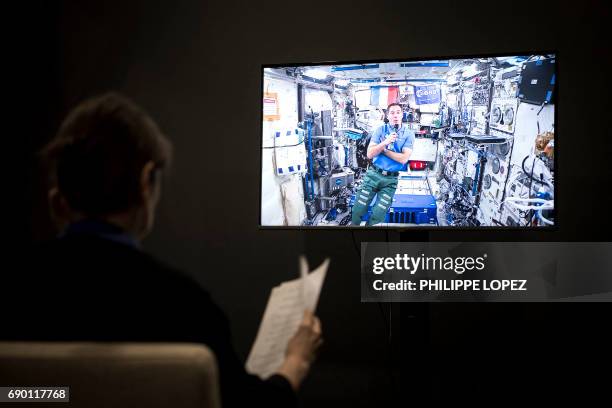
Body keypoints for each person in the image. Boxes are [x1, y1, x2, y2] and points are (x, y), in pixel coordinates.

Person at [3, 93, 322, 408]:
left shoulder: (15, 292)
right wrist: (296, 361)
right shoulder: (184, 306)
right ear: (146, 184)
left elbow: (25, 394)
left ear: (57, 202)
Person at [351, 103, 415, 225]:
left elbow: (403, 159)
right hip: (373, 175)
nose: (395, 115)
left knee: (379, 213)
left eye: (398, 112)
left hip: (391, 180)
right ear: (387, 115)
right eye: (392, 112)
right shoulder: (380, 130)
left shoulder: (408, 134)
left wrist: (383, 150)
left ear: (402, 115)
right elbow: (370, 154)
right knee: (359, 208)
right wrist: (385, 142)